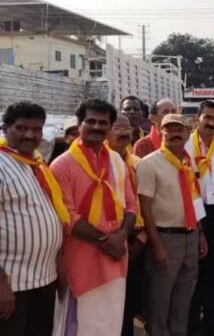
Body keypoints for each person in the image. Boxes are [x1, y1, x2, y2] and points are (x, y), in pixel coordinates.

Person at [51, 99, 138, 336]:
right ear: (79, 123)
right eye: (91, 121)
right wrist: (107, 241)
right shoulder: (62, 165)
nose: (97, 127)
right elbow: (67, 216)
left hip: (116, 257)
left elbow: (131, 204)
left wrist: (121, 236)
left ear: (110, 127)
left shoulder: (116, 161)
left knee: (111, 323)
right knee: (81, 325)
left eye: (103, 123)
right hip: (82, 258)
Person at [137, 114, 208, 336]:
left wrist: (200, 233)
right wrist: (157, 245)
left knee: (184, 296)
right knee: (160, 297)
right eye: (169, 129)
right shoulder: (149, 164)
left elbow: (194, 199)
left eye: (179, 129)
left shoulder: (189, 161)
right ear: (161, 132)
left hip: (191, 236)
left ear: (188, 133)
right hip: (166, 238)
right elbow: (145, 209)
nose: (175, 133)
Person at [0, 102, 66, 336]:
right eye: (21, 128)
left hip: (43, 280)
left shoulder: (36, 164)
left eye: (36, 129)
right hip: (12, 285)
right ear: (5, 128)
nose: (30, 135)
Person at [185, 100, 214, 336]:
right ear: (198, 118)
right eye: (207, 118)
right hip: (195, 214)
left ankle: (213, 321)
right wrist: (199, 227)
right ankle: (193, 324)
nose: (211, 123)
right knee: (195, 272)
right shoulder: (186, 147)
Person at [107, 115, 148, 336]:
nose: (123, 132)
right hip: (110, 240)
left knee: (131, 299)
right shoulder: (101, 163)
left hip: (136, 239)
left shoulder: (139, 164)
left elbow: (149, 204)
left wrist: (141, 239)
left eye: (127, 128)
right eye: (117, 128)